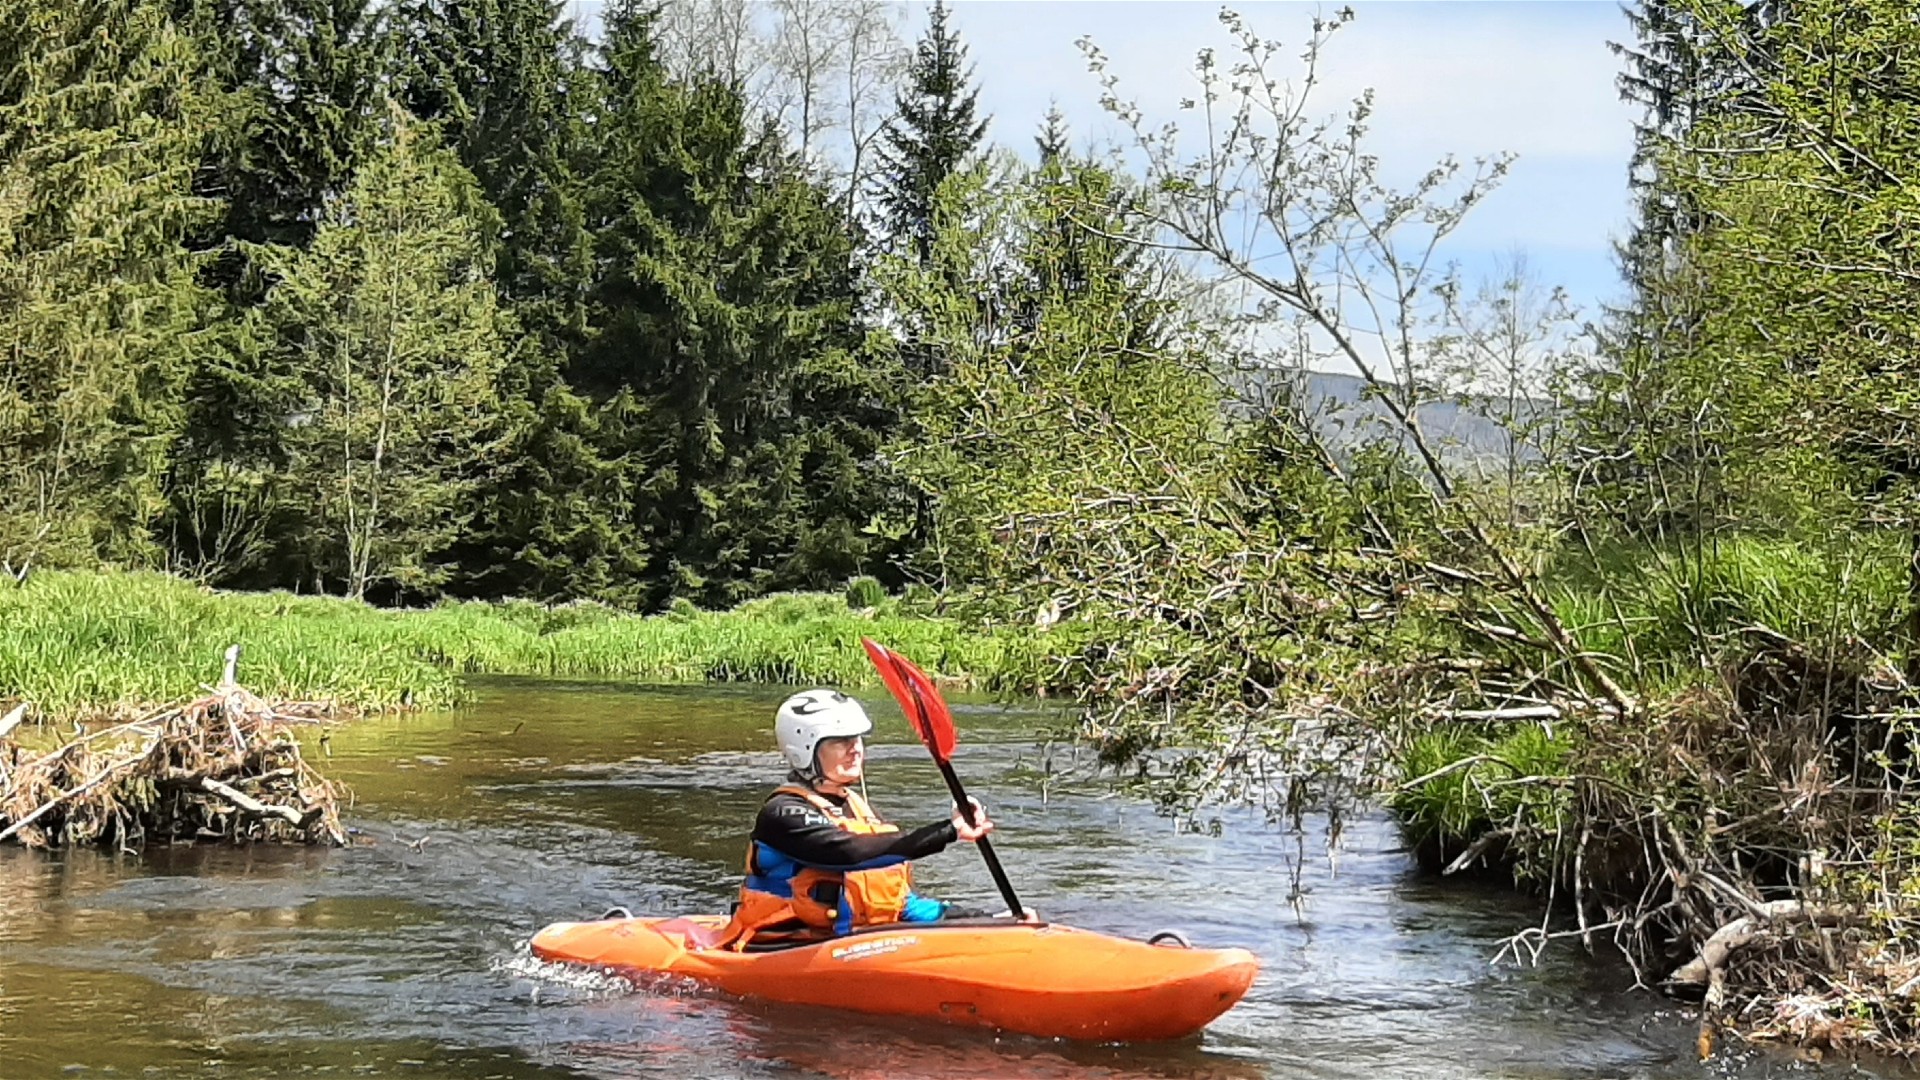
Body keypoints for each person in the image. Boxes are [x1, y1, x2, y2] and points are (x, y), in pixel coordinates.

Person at [719, 688, 1000, 949]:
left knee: (995, 924)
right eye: (841, 741)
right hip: (782, 944)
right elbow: (848, 852)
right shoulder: (782, 813)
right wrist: (947, 831)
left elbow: (898, 900)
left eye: (857, 739)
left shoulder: (861, 810)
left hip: (848, 939)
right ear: (803, 748)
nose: (856, 748)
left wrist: (983, 920)